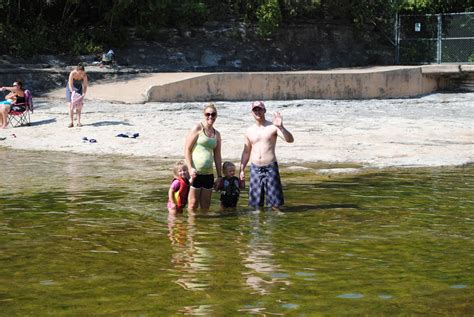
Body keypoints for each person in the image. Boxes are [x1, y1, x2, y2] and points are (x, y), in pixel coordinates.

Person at [239, 101, 294, 210]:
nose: (257, 111)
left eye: (260, 109)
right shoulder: (249, 131)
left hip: (270, 168)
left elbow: (290, 140)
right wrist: (241, 169)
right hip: (255, 168)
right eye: (255, 110)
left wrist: (282, 127)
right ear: (252, 112)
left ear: (264, 111)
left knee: (276, 205)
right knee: (254, 207)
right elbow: (246, 152)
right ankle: (257, 226)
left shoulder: (273, 127)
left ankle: (273, 225)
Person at [184, 103, 222, 212]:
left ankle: (203, 229)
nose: (210, 116)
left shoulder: (217, 134)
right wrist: (190, 168)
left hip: (208, 174)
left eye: (213, 114)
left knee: (206, 207)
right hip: (196, 173)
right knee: (192, 205)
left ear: (216, 116)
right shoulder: (197, 128)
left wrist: (219, 176)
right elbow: (187, 149)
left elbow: (217, 155)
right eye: (207, 114)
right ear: (204, 115)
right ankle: (191, 228)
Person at [66, 63, 88, 128]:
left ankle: (78, 122)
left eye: (82, 72)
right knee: (70, 105)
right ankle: (71, 122)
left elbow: (85, 86)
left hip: (79, 88)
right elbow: (70, 84)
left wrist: (84, 94)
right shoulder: (72, 73)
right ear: (77, 70)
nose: (81, 74)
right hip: (70, 88)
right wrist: (73, 93)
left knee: (79, 105)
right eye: (80, 72)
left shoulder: (84, 75)